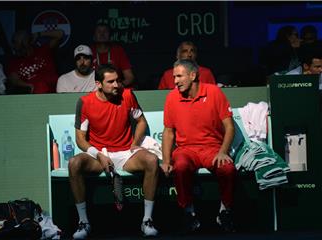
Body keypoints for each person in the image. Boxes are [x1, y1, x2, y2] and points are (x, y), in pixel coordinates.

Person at [68, 64, 159, 239]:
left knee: (152, 161)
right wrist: (99, 154)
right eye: (111, 82)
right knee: (74, 163)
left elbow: (141, 122)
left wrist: (135, 143)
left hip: (126, 153)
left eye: (117, 80)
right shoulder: (85, 102)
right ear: (98, 84)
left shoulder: (127, 95)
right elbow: (80, 139)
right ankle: (83, 222)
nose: (116, 85)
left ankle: (147, 220)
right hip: (99, 155)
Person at [161, 59, 236, 233]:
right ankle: (189, 213)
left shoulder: (214, 92)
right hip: (186, 150)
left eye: (179, 76)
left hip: (212, 149)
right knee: (180, 166)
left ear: (193, 75)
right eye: (174, 77)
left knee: (228, 169)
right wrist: (166, 160)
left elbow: (229, 127)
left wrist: (223, 152)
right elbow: (168, 132)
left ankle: (224, 212)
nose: (175, 81)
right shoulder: (172, 97)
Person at [6, 29, 63, 94]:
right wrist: (29, 86)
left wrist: (39, 34)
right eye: (14, 44)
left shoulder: (42, 50)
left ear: (27, 42)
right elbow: (14, 80)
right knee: (40, 86)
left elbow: (60, 34)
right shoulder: (14, 62)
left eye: (18, 44)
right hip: (35, 93)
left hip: (55, 89)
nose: (15, 47)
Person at [91, 23, 134, 88]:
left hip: (114, 88)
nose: (102, 34)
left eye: (105, 31)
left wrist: (121, 84)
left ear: (110, 35)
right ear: (94, 36)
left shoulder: (118, 50)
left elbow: (129, 77)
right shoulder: (89, 51)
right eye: (99, 31)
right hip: (93, 89)